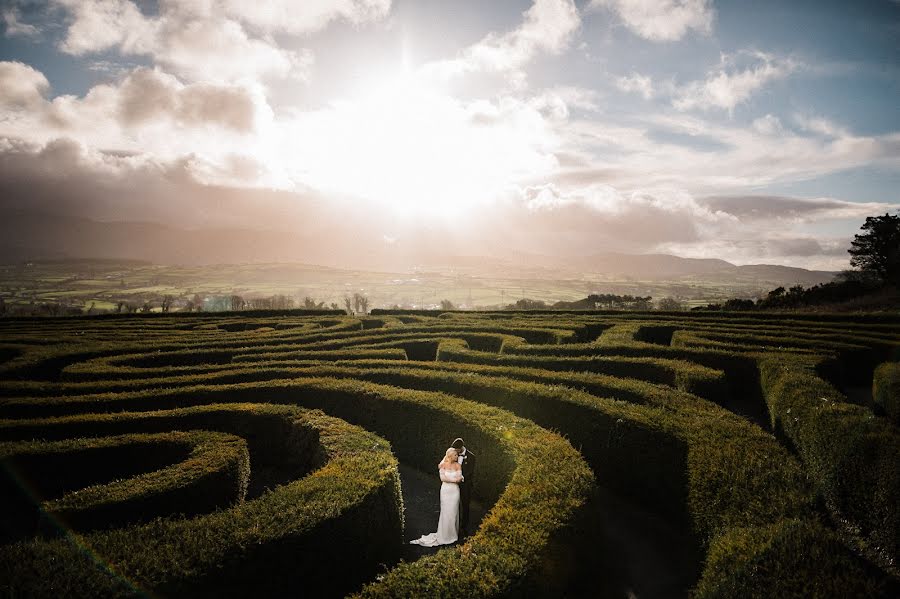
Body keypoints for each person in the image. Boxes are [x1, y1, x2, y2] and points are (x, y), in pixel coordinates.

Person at [409, 448, 463, 546]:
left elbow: (459, 478)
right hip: (445, 491)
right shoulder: (443, 465)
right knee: (446, 512)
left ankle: (452, 535)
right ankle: (444, 535)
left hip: (454, 492)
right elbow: (443, 478)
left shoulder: (458, 465)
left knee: (453, 512)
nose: (457, 456)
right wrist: (454, 480)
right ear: (450, 456)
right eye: (455, 455)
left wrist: (452, 479)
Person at [450, 437, 475, 536]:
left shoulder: (471, 456)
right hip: (454, 485)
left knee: (465, 506)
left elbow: (470, 472)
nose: (455, 452)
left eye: (456, 450)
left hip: (465, 486)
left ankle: (464, 527)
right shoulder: (452, 454)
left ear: (461, 448)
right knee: (453, 505)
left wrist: (461, 477)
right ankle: (453, 525)